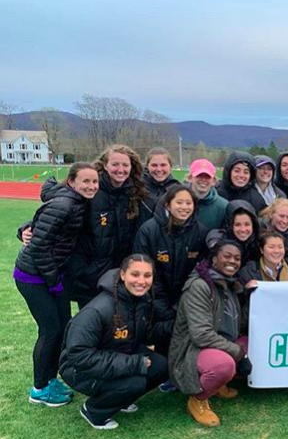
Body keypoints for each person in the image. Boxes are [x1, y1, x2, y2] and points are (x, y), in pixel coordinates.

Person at [15, 163, 100, 407]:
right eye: (86, 181)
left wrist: (25, 228)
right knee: (50, 330)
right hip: (33, 276)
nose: (91, 186)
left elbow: (39, 223)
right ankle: (40, 387)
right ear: (72, 182)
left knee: (62, 327)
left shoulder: (76, 202)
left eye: (94, 182)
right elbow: (39, 246)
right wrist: (53, 280)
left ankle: (51, 380)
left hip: (53, 275)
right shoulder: (65, 205)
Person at [59, 255, 169, 430]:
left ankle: (122, 400)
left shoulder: (142, 300)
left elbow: (146, 335)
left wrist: (178, 326)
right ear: (123, 275)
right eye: (135, 274)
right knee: (135, 382)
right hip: (78, 369)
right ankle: (93, 411)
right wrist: (133, 363)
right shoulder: (97, 310)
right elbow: (79, 356)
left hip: (119, 354)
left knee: (162, 366)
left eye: (147, 276)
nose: (141, 281)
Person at [169, 241, 251, 427]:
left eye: (237, 258)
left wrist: (251, 295)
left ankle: (218, 385)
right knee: (224, 365)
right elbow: (201, 335)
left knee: (254, 344)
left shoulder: (230, 284)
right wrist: (239, 353)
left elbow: (239, 325)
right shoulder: (199, 286)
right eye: (227, 256)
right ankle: (198, 399)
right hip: (193, 349)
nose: (232, 261)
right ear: (214, 259)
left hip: (218, 343)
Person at [66, 144, 148, 308]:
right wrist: (27, 227)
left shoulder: (134, 193)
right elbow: (60, 210)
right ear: (105, 165)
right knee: (90, 323)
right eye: (115, 164)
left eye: (125, 165)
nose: (120, 169)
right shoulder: (91, 190)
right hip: (89, 277)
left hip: (119, 276)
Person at [133, 185, 208, 343]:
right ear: (167, 204)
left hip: (186, 303)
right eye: (179, 202)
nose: (184, 207)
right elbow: (144, 271)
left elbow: (200, 271)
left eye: (188, 203)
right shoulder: (149, 230)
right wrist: (164, 309)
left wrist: (183, 304)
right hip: (155, 305)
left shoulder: (201, 232)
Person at [206, 200, 260, 267]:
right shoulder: (220, 238)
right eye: (237, 225)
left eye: (247, 224)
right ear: (230, 225)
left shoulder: (257, 241)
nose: (243, 229)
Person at [186, 159, 228, 230]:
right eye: (199, 175)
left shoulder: (223, 207)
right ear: (190, 178)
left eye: (207, 176)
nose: (203, 179)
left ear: (214, 181)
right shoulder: (177, 200)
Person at [141, 147, 181, 219]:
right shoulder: (137, 185)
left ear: (170, 166)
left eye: (163, 165)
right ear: (147, 166)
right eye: (154, 165)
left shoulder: (177, 190)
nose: (159, 169)